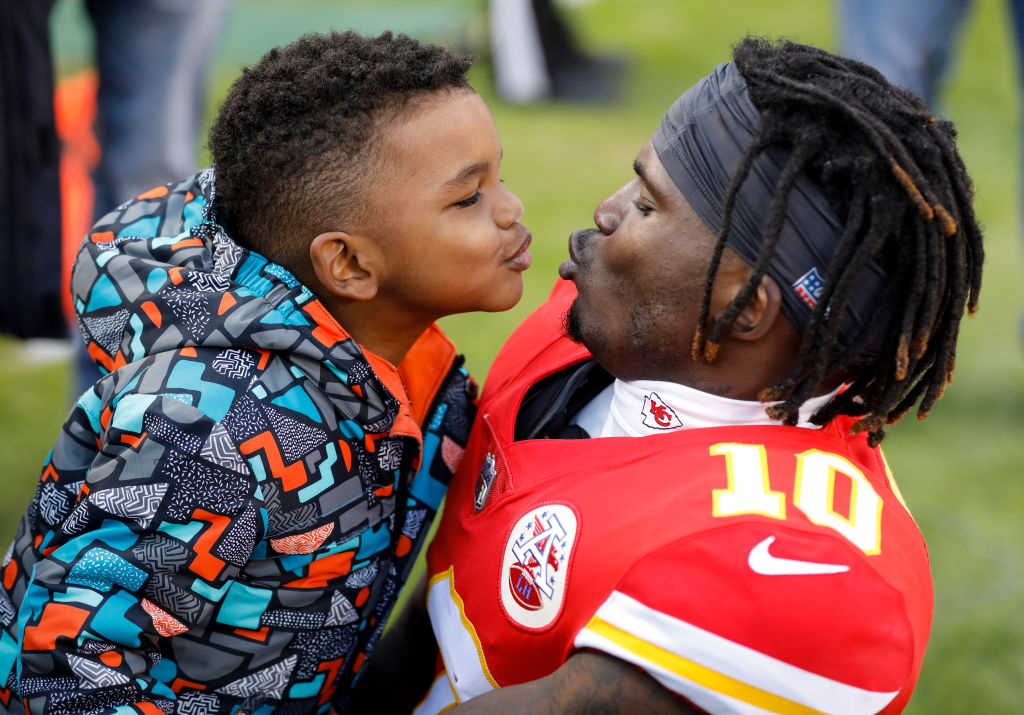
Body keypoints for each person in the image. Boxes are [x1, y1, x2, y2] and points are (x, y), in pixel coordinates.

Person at [352, 37, 983, 714]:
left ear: (743, 307)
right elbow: (437, 617)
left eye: (648, 206)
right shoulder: (601, 338)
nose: (606, 210)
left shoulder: (804, 565)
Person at [0, 30, 531, 713]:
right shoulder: (205, 435)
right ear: (350, 265)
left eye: (498, 176)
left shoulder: (418, 380)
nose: (511, 209)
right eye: (468, 199)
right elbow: (63, 676)